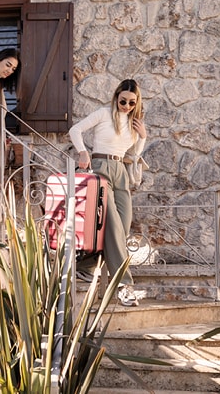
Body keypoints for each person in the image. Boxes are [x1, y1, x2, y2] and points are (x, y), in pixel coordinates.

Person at [67, 78, 147, 307]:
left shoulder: (134, 122)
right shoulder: (104, 113)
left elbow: (134, 155)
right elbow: (75, 130)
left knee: (122, 228)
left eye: (132, 103)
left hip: (121, 170)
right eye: (123, 101)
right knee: (111, 224)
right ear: (116, 96)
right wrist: (83, 153)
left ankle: (86, 266)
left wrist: (142, 137)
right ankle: (124, 286)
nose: (127, 106)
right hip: (101, 168)